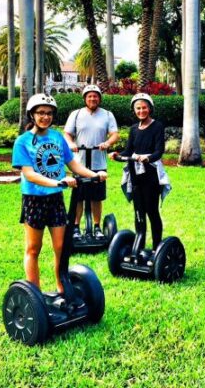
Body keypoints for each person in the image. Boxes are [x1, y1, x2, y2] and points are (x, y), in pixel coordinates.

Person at [12, 93, 106, 294]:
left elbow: (73, 164)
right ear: (32, 115)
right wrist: (57, 181)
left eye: (49, 113)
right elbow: (29, 174)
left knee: (61, 248)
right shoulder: (22, 141)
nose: (45, 117)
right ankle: (34, 295)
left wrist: (95, 175)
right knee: (33, 248)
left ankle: (62, 288)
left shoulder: (56, 137)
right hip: (34, 200)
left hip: (56, 200)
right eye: (41, 113)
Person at [111, 93, 166, 254]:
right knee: (138, 211)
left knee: (151, 210)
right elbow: (129, 151)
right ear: (134, 110)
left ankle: (157, 247)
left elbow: (159, 151)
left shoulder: (157, 126)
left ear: (150, 108)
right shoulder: (134, 129)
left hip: (151, 174)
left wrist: (147, 158)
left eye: (144, 107)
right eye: (138, 108)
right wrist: (117, 155)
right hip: (135, 175)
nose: (141, 111)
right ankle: (139, 245)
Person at [63, 84, 119, 241]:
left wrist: (107, 143)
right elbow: (67, 133)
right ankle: (75, 227)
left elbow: (115, 134)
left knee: (96, 198)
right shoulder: (76, 114)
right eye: (89, 96)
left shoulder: (107, 114)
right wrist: (71, 144)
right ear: (85, 98)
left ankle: (96, 227)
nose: (92, 98)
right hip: (79, 163)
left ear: (99, 98)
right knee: (79, 197)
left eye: (95, 96)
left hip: (99, 163)